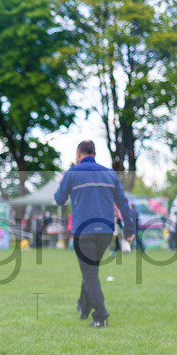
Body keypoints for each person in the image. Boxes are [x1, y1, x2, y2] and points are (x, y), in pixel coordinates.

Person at [54, 140, 135, 327]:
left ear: (79, 154)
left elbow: (59, 200)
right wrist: (129, 230)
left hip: (84, 231)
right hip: (106, 231)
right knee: (91, 270)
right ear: (94, 154)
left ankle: (101, 315)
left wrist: (61, 183)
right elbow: (123, 203)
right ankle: (83, 306)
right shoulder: (110, 174)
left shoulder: (72, 173)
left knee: (90, 272)